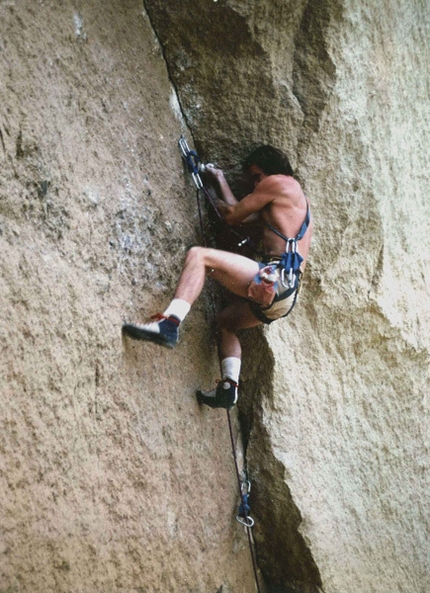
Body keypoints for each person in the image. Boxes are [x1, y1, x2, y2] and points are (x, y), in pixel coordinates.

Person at [122, 145, 312, 409]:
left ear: (269, 169)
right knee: (226, 323)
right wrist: (220, 179)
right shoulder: (292, 203)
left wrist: (211, 195)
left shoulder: (278, 182)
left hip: (275, 277)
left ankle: (169, 324)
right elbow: (243, 216)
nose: (256, 184)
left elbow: (232, 216)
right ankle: (229, 388)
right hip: (285, 296)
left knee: (200, 257)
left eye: (256, 176)